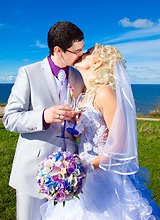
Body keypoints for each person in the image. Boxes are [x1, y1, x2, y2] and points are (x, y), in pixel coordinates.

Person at [40, 44, 160, 219]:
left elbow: (120, 144)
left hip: (103, 174)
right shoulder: (85, 95)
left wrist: (86, 166)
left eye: (88, 53)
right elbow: (85, 133)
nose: (82, 54)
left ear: (99, 63)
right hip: (83, 169)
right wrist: (74, 122)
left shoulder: (104, 93)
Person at [3, 21, 85, 220]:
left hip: (71, 172)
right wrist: (43, 116)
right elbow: (10, 118)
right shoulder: (28, 73)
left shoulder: (78, 75)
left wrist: (79, 119)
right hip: (33, 171)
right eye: (76, 51)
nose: (81, 56)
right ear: (58, 50)